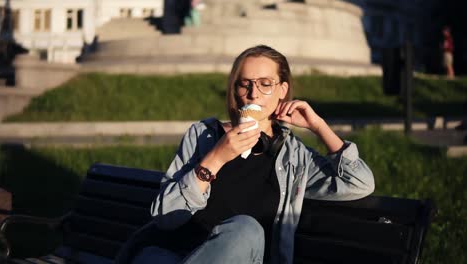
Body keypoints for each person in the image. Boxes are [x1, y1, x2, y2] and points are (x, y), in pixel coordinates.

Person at [116, 45, 375, 264]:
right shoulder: (204, 136)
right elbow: (165, 218)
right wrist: (215, 158)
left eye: (265, 84)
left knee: (246, 230)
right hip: (171, 254)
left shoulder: (294, 157)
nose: (253, 94)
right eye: (245, 84)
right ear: (235, 88)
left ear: (282, 90)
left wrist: (318, 126)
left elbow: (359, 182)